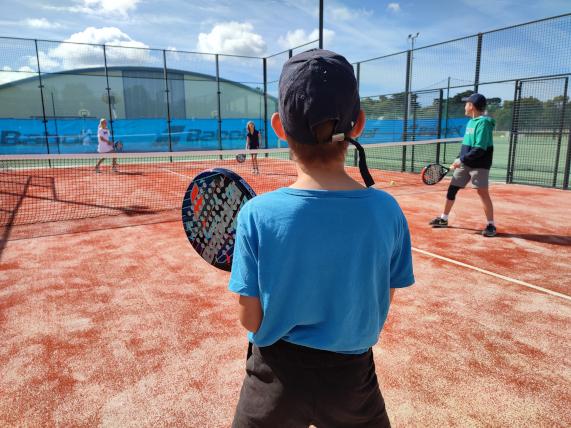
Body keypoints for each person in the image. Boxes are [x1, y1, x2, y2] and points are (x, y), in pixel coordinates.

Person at [228, 49, 414, 427]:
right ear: (358, 124)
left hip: (273, 378)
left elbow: (250, 318)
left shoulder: (256, 215)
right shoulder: (387, 210)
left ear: (278, 128)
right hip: (352, 378)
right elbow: (381, 305)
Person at [429, 93, 496, 237]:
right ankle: (444, 219)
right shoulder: (470, 122)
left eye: (466, 104)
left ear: (471, 106)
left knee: (482, 192)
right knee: (452, 189)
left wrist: (462, 160)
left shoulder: (483, 123)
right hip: (466, 163)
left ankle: (491, 225)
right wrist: (458, 158)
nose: (465, 106)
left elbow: (480, 148)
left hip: (480, 164)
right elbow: (466, 146)